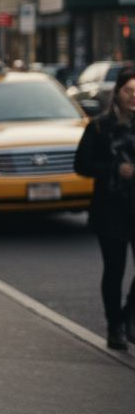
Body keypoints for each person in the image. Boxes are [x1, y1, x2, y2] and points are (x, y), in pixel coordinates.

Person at [74, 66, 135, 351]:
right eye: (129, 91)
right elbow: (82, 165)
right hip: (111, 209)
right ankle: (115, 326)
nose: (133, 97)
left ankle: (128, 316)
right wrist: (114, 168)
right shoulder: (99, 126)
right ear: (118, 93)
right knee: (115, 270)